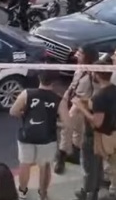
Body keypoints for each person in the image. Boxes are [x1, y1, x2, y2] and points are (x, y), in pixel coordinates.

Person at [9, 70, 66, 200]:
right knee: (45, 166)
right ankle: (43, 193)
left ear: (39, 78)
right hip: (47, 138)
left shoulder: (27, 94)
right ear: (54, 82)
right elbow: (67, 122)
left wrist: (24, 114)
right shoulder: (58, 99)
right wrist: (55, 124)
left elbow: (13, 111)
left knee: (25, 163)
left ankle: (22, 191)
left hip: (27, 135)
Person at [71, 68, 116, 200]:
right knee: (109, 165)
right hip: (113, 133)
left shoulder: (99, 97)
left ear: (97, 75)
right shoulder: (113, 90)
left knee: (90, 164)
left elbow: (97, 122)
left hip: (102, 137)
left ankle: (90, 192)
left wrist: (81, 107)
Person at [56, 46, 98, 173]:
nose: (76, 54)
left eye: (80, 53)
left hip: (82, 103)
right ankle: (68, 154)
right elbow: (74, 84)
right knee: (71, 129)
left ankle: (62, 157)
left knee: (70, 128)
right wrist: (65, 97)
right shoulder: (79, 68)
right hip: (73, 100)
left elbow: (96, 91)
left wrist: (87, 103)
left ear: (87, 56)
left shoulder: (94, 72)